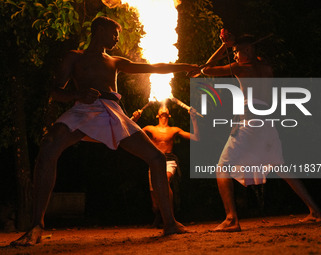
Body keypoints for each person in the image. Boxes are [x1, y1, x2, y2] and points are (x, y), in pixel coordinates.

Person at [11, 16, 200, 246]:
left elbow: (152, 67)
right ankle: (36, 226)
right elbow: (54, 91)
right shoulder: (75, 57)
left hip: (114, 112)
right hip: (84, 109)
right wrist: (77, 95)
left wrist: (185, 67)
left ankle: (170, 224)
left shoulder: (115, 61)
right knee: (49, 146)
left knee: (157, 158)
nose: (117, 38)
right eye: (114, 33)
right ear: (99, 29)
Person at [201, 31, 321, 232]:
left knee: (222, 167)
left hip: (250, 124)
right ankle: (316, 212)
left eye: (236, 52)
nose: (234, 55)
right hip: (268, 124)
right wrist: (239, 46)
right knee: (281, 166)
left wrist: (223, 46)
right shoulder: (266, 67)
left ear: (248, 50)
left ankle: (232, 219)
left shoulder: (241, 68)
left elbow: (205, 69)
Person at [132, 106, 199, 227]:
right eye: (161, 107)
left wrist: (193, 118)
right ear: (157, 115)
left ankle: (171, 219)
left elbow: (196, 137)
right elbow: (130, 135)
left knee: (165, 180)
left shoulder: (174, 130)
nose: (163, 108)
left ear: (169, 115)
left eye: (166, 108)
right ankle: (160, 216)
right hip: (154, 162)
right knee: (155, 204)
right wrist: (134, 120)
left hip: (169, 160)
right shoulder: (150, 129)